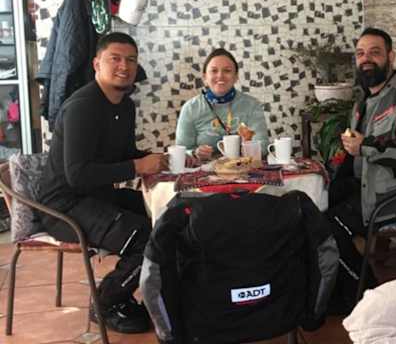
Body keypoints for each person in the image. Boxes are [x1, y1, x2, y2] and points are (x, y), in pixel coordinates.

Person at [37, 32, 167, 334]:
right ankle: (106, 302)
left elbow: (122, 154)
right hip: (63, 207)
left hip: (98, 197)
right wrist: (137, 166)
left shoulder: (125, 105)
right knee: (146, 237)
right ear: (97, 64)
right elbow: (78, 174)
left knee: (168, 215)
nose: (124, 66)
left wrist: (156, 158)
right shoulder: (82, 107)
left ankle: (158, 290)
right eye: (115, 59)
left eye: (131, 60)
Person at [326, 27, 396, 312]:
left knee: (329, 226)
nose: (366, 59)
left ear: (391, 57)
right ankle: (333, 290)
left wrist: (366, 146)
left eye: (374, 52)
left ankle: (368, 298)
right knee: (311, 207)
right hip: (366, 185)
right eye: (360, 53)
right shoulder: (363, 100)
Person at [175, 48, 269, 161]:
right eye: (214, 71)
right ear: (205, 77)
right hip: (204, 169)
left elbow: (263, 147)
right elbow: (180, 151)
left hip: (243, 168)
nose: (220, 76)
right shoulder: (191, 108)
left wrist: (246, 146)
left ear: (236, 77)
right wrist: (195, 153)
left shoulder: (252, 105)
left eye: (227, 71)